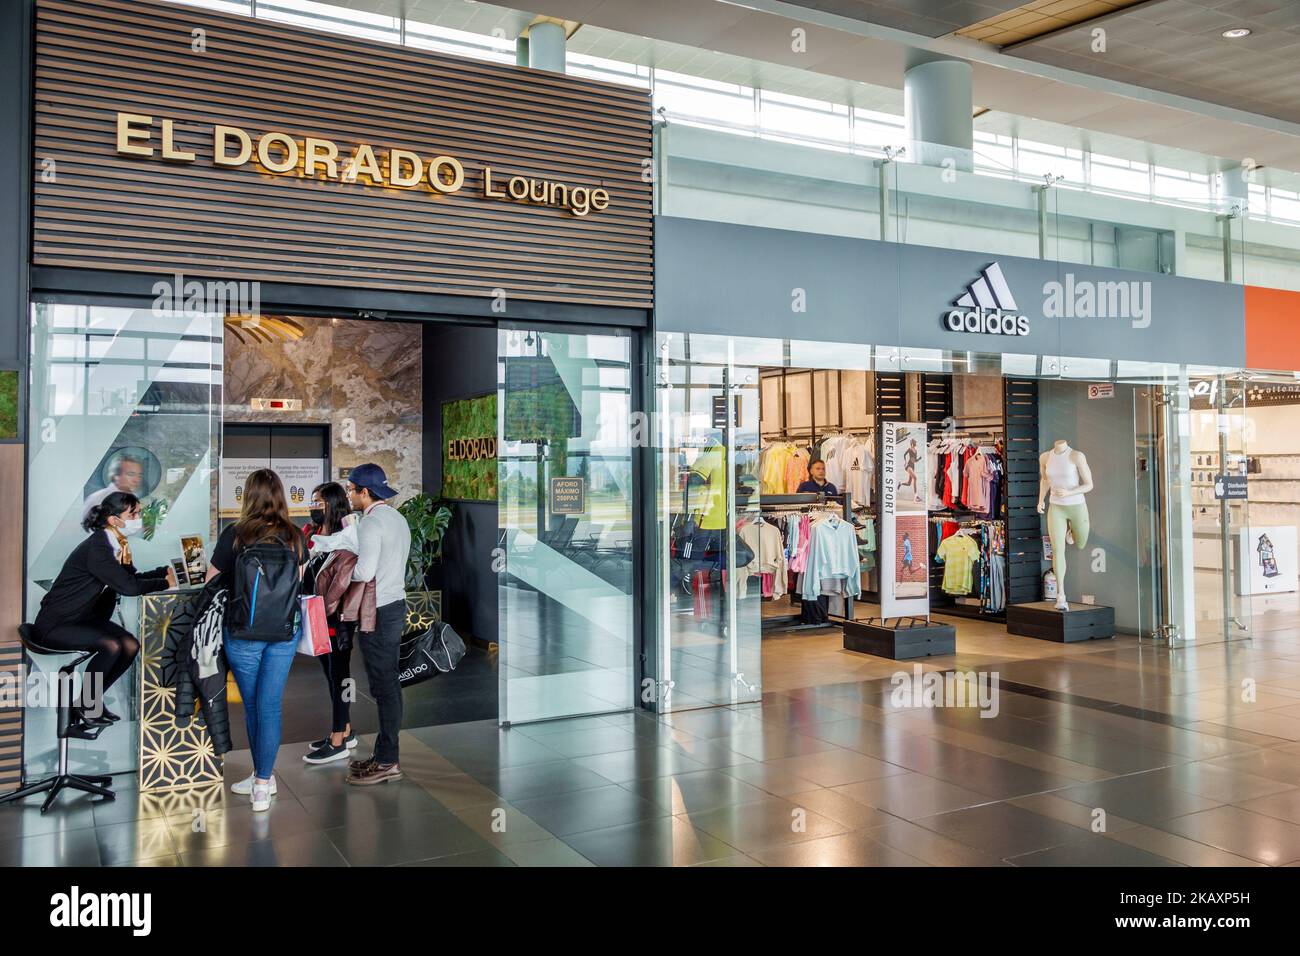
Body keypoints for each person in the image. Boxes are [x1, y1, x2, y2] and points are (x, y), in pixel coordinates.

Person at [207, 468, 307, 811]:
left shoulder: (234, 534)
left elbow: (212, 583)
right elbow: (299, 584)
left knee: (253, 707)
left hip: (243, 633)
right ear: (280, 495)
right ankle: (263, 781)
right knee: (270, 706)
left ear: (247, 496)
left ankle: (261, 776)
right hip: (284, 632)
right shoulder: (295, 536)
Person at [34, 492, 175, 732]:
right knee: (111, 645)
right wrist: (166, 583)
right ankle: (88, 705)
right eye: (134, 514)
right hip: (58, 623)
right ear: (114, 520)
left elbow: (129, 578)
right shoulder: (98, 548)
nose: (139, 518)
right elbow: (129, 587)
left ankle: (88, 702)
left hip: (85, 620)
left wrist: (164, 572)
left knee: (130, 645)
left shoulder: (117, 544)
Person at [344, 463, 411, 787]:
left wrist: (343, 571)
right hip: (395, 605)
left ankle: (387, 761)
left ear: (365, 492)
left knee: (384, 686)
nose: (349, 494)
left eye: (351, 489)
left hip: (378, 611)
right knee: (387, 685)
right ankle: (385, 754)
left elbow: (364, 572)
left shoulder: (371, 524)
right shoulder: (397, 519)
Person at [301, 482, 358, 764]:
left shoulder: (345, 539)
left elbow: (341, 583)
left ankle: (338, 740)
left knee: (340, 677)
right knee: (329, 677)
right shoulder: (310, 535)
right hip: (315, 618)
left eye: (319, 502)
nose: (313, 506)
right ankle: (345, 727)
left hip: (336, 620)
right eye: (312, 501)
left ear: (333, 505)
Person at [80, 452, 146, 523]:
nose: (137, 480)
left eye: (139, 475)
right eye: (131, 474)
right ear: (115, 475)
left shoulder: (135, 499)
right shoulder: (97, 499)